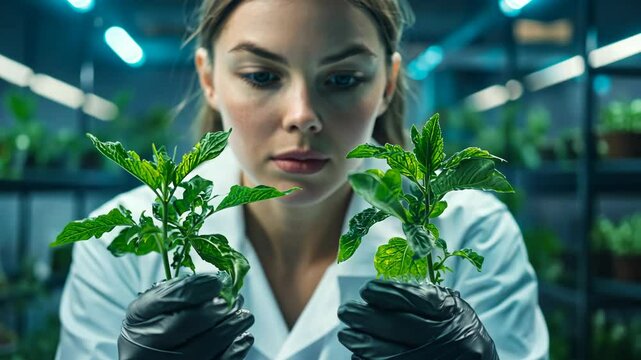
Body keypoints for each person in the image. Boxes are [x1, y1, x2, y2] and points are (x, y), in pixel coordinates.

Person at [55, 0, 549, 359]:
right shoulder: (121, 245)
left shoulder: (471, 232)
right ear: (208, 78)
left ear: (387, 85)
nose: (302, 116)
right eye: (261, 76)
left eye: (341, 79)